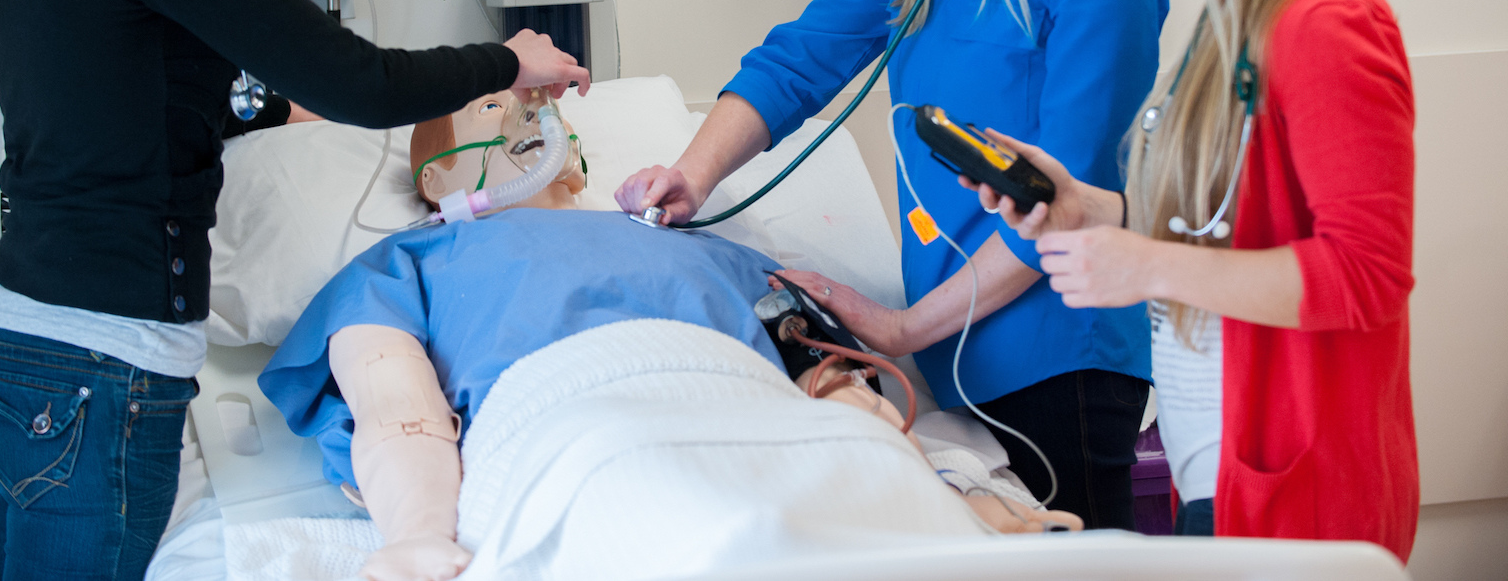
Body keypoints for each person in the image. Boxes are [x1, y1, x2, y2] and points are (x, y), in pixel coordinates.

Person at [0, 0, 589, 578]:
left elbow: (124, 93)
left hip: (5, 356)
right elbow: (359, 82)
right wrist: (508, 62)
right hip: (101, 375)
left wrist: (283, 113)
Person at [259, 91, 1083, 581]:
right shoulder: (413, 254)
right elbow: (393, 404)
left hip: (762, 407)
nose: (526, 109)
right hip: (575, 416)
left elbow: (832, 384)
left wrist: (949, 489)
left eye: (532, 105)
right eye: (492, 104)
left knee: (857, 484)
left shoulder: (695, 240)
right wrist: (415, 537)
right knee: (690, 523)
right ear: (439, 177)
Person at [616, 0, 1166, 529]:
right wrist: (691, 175)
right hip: (951, 352)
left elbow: (1063, 208)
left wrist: (902, 328)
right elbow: (806, 55)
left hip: (1059, 363)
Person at [975, 0, 1419, 559]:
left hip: (1300, 499)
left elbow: (1364, 275)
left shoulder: (1328, 24)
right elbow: (1230, 221)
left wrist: (1146, 268)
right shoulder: (1248, 7)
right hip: (1219, 467)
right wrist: (1089, 209)